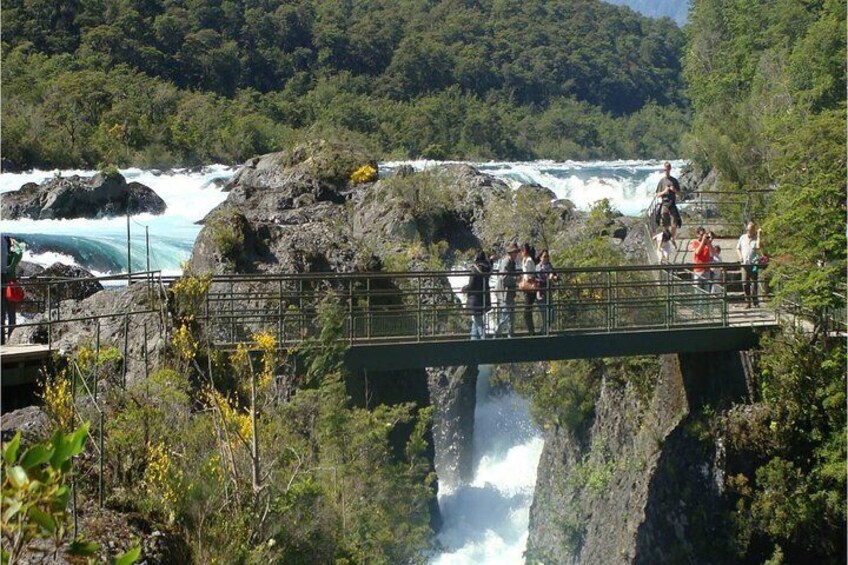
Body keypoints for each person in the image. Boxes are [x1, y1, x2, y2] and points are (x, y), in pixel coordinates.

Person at [462, 251, 492, 339]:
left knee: (478, 321)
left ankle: (485, 341)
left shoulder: (475, 269)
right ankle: (473, 341)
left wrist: (464, 288)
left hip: (474, 300)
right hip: (484, 298)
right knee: (475, 320)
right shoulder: (488, 269)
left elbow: (471, 285)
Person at [493, 243, 519, 338]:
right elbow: (504, 277)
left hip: (509, 292)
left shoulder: (512, 262)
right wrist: (516, 280)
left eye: (516, 252)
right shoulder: (506, 262)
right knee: (506, 314)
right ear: (511, 253)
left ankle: (511, 335)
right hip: (504, 292)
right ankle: (497, 334)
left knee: (511, 315)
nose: (516, 254)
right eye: (514, 252)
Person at [1, 235, 23, 344]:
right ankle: (11, 339)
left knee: (1, 314)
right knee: (11, 314)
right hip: (11, 288)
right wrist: (15, 242)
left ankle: (1, 340)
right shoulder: (13, 258)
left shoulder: (4, 258)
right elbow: (20, 251)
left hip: (3, 285)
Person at [736, 221, 762, 308]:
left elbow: (758, 247)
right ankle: (748, 302)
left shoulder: (756, 238)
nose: (748, 231)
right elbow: (738, 248)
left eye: (751, 230)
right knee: (745, 282)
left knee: (754, 282)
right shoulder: (742, 238)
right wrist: (740, 257)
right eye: (748, 230)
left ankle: (755, 301)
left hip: (753, 264)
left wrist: (758, 236)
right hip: (745, 264)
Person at [656, 161, 682, 242]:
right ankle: (665, 239)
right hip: (664, 204)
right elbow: (657, 195)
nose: (666, 171)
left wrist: (674, 190)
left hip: (672, 203)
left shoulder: (674, 181)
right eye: (664, 169)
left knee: (674, 223)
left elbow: (680, 193)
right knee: (665, 224)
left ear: (670, 169)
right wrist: (664, 191)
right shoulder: (661, 181)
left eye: (667, 169)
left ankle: (672, 238)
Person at [536, 249, 557, 333]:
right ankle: (544, 332)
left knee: (551, 312)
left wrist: (554, 277)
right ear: (540, 257)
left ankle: (545, 330)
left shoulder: (550, 266)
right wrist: (548, 278)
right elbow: (540, 278)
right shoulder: (538, 267)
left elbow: (555, 274)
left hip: (549, 291)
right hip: (541, 292)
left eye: (547, 256)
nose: (546, 258)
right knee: (545, 313)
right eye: (544, 256)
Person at [519, 243, 537, 335]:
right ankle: (531, 331)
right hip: (527, 288)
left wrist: (525, 282)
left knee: (527, 312)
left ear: (524, 251)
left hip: (529, 288)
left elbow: (531, 275)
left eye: (521, 251)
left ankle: (531, 332)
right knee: (528, 311)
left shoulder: (529, 261)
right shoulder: (525, 261)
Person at [691, 227, 713, 292]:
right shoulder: (695, 242)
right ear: (697, 235)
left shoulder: (707, 243)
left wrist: (709, 242)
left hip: (706, 269)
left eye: (704, 234)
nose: (702, 236)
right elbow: (697, 252)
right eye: (701, 235)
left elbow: (713, 253)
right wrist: (703, 242)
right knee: (697, 289)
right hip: (698, 269)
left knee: (706, 289)